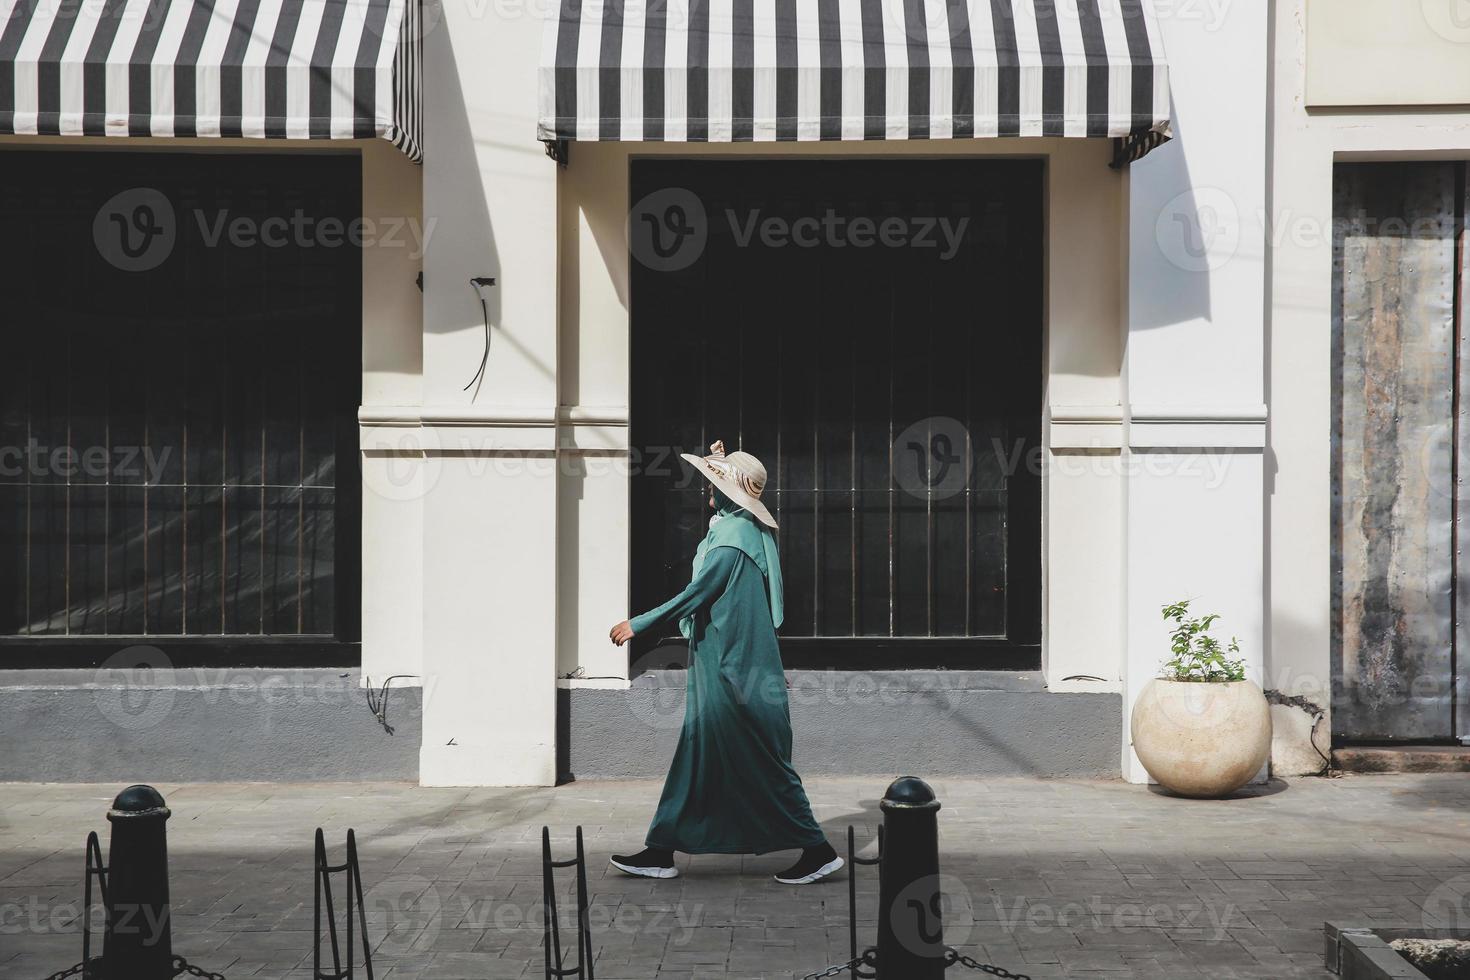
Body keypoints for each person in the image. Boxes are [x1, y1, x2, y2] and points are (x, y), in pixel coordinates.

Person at [607, 440, 843, 885]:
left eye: (713, 483)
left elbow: (697, 594)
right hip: (727, 663)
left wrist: (640, 624)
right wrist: (721, 462)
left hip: (731, 670)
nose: (707, 490)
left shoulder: (732, 541)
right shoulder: (745, 528)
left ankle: (818, 850)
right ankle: (660, 850)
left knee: (761, 763)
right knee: (699, 756)